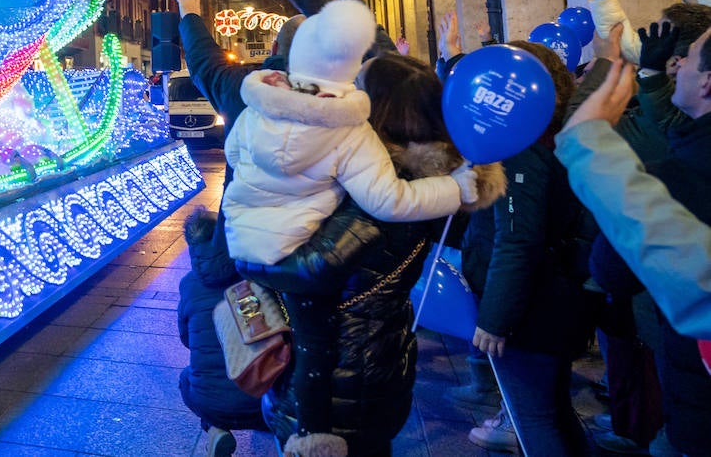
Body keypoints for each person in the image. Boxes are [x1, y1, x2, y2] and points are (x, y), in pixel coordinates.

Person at [175, 0, 475, 457]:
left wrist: (190, 14)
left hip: (339, 390)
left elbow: (206, 65)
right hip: (373, 375)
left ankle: (304, 432)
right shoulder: (383, 164)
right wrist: (457, 187)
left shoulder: (255, 102)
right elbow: (394, 186)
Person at [254, 53, 507, 457]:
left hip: (339, 378)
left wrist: (243, 247)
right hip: (377, 362)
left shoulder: (383, 195)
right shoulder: (431, 180)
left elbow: (307, 270)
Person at [466, 40, 598, 457]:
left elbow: (518, 239)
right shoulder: (556, 135)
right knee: (554, 408)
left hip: (533, 307)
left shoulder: (520, 151)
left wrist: (495, 319)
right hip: (557, 296)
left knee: (535, 416)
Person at [560, 57, 711, 340]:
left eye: (689, 54)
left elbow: (700, 283)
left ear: (707, 81)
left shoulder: (683, 169)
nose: (680, 64)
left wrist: (588, 140)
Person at [178, 206, 268, 457]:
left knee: (186, 379)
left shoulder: (188, 285)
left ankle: (216, 429)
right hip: (263, 402)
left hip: (211, 405)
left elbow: (185, 338)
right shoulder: (252, 272)